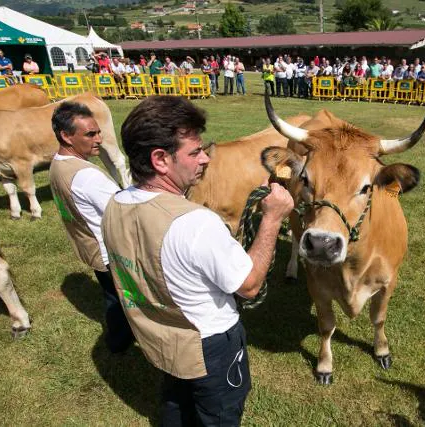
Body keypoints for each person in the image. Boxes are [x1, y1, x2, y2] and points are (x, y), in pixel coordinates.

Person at [104, 95, 294, 426]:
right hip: (210, 347)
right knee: (218, 416)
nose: (205, 158)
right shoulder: (196, 223)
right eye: (194, 152)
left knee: (176, 403)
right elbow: (248, 285)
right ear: (161, 159)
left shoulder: (115, 204)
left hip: (159, 334)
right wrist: (272, 220)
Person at [49, 102, 134, 354]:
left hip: (88, 245)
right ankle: (121, 341)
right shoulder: (87, 175)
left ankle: (119, 340)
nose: (100, 139)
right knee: (125, 299)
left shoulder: (58, 163)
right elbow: (125, 211)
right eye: (90, 134)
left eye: (98, 132)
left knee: (113, 297)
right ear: (66, 136)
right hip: (110, 252)